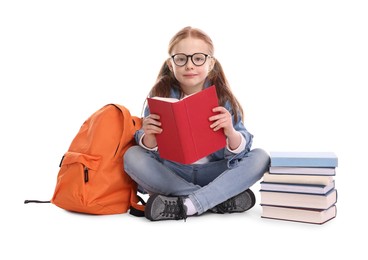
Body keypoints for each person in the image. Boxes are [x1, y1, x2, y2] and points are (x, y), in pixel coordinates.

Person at [124, 26, 270, 221]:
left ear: (210, 64)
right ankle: (213, 200)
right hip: (174, 173)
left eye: (198, 58)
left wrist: (230, 132)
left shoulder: (223, 98)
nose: (189, 66)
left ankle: (185, 204)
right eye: (181, 59)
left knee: (261, 157)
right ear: (171, 63)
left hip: (216, 172)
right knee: (132, 155)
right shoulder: (160, 95)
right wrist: (148, 137)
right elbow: (149, 150)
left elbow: (242, 149)